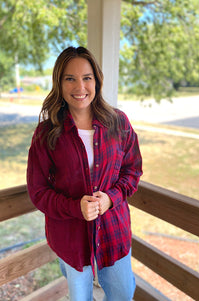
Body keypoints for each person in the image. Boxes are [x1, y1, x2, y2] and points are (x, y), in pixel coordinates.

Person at [27, 46, 143, 301]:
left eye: (86, 78)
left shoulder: (119, 123)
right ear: (59, 83)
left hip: (114, 232)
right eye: (70, 78)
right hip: (70, 239)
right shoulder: (46, 133)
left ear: (96, 80)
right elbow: (37, 191)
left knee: (123, 295)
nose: (80, 86)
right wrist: (73, 207)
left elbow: (132, 171)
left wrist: (110, 198)